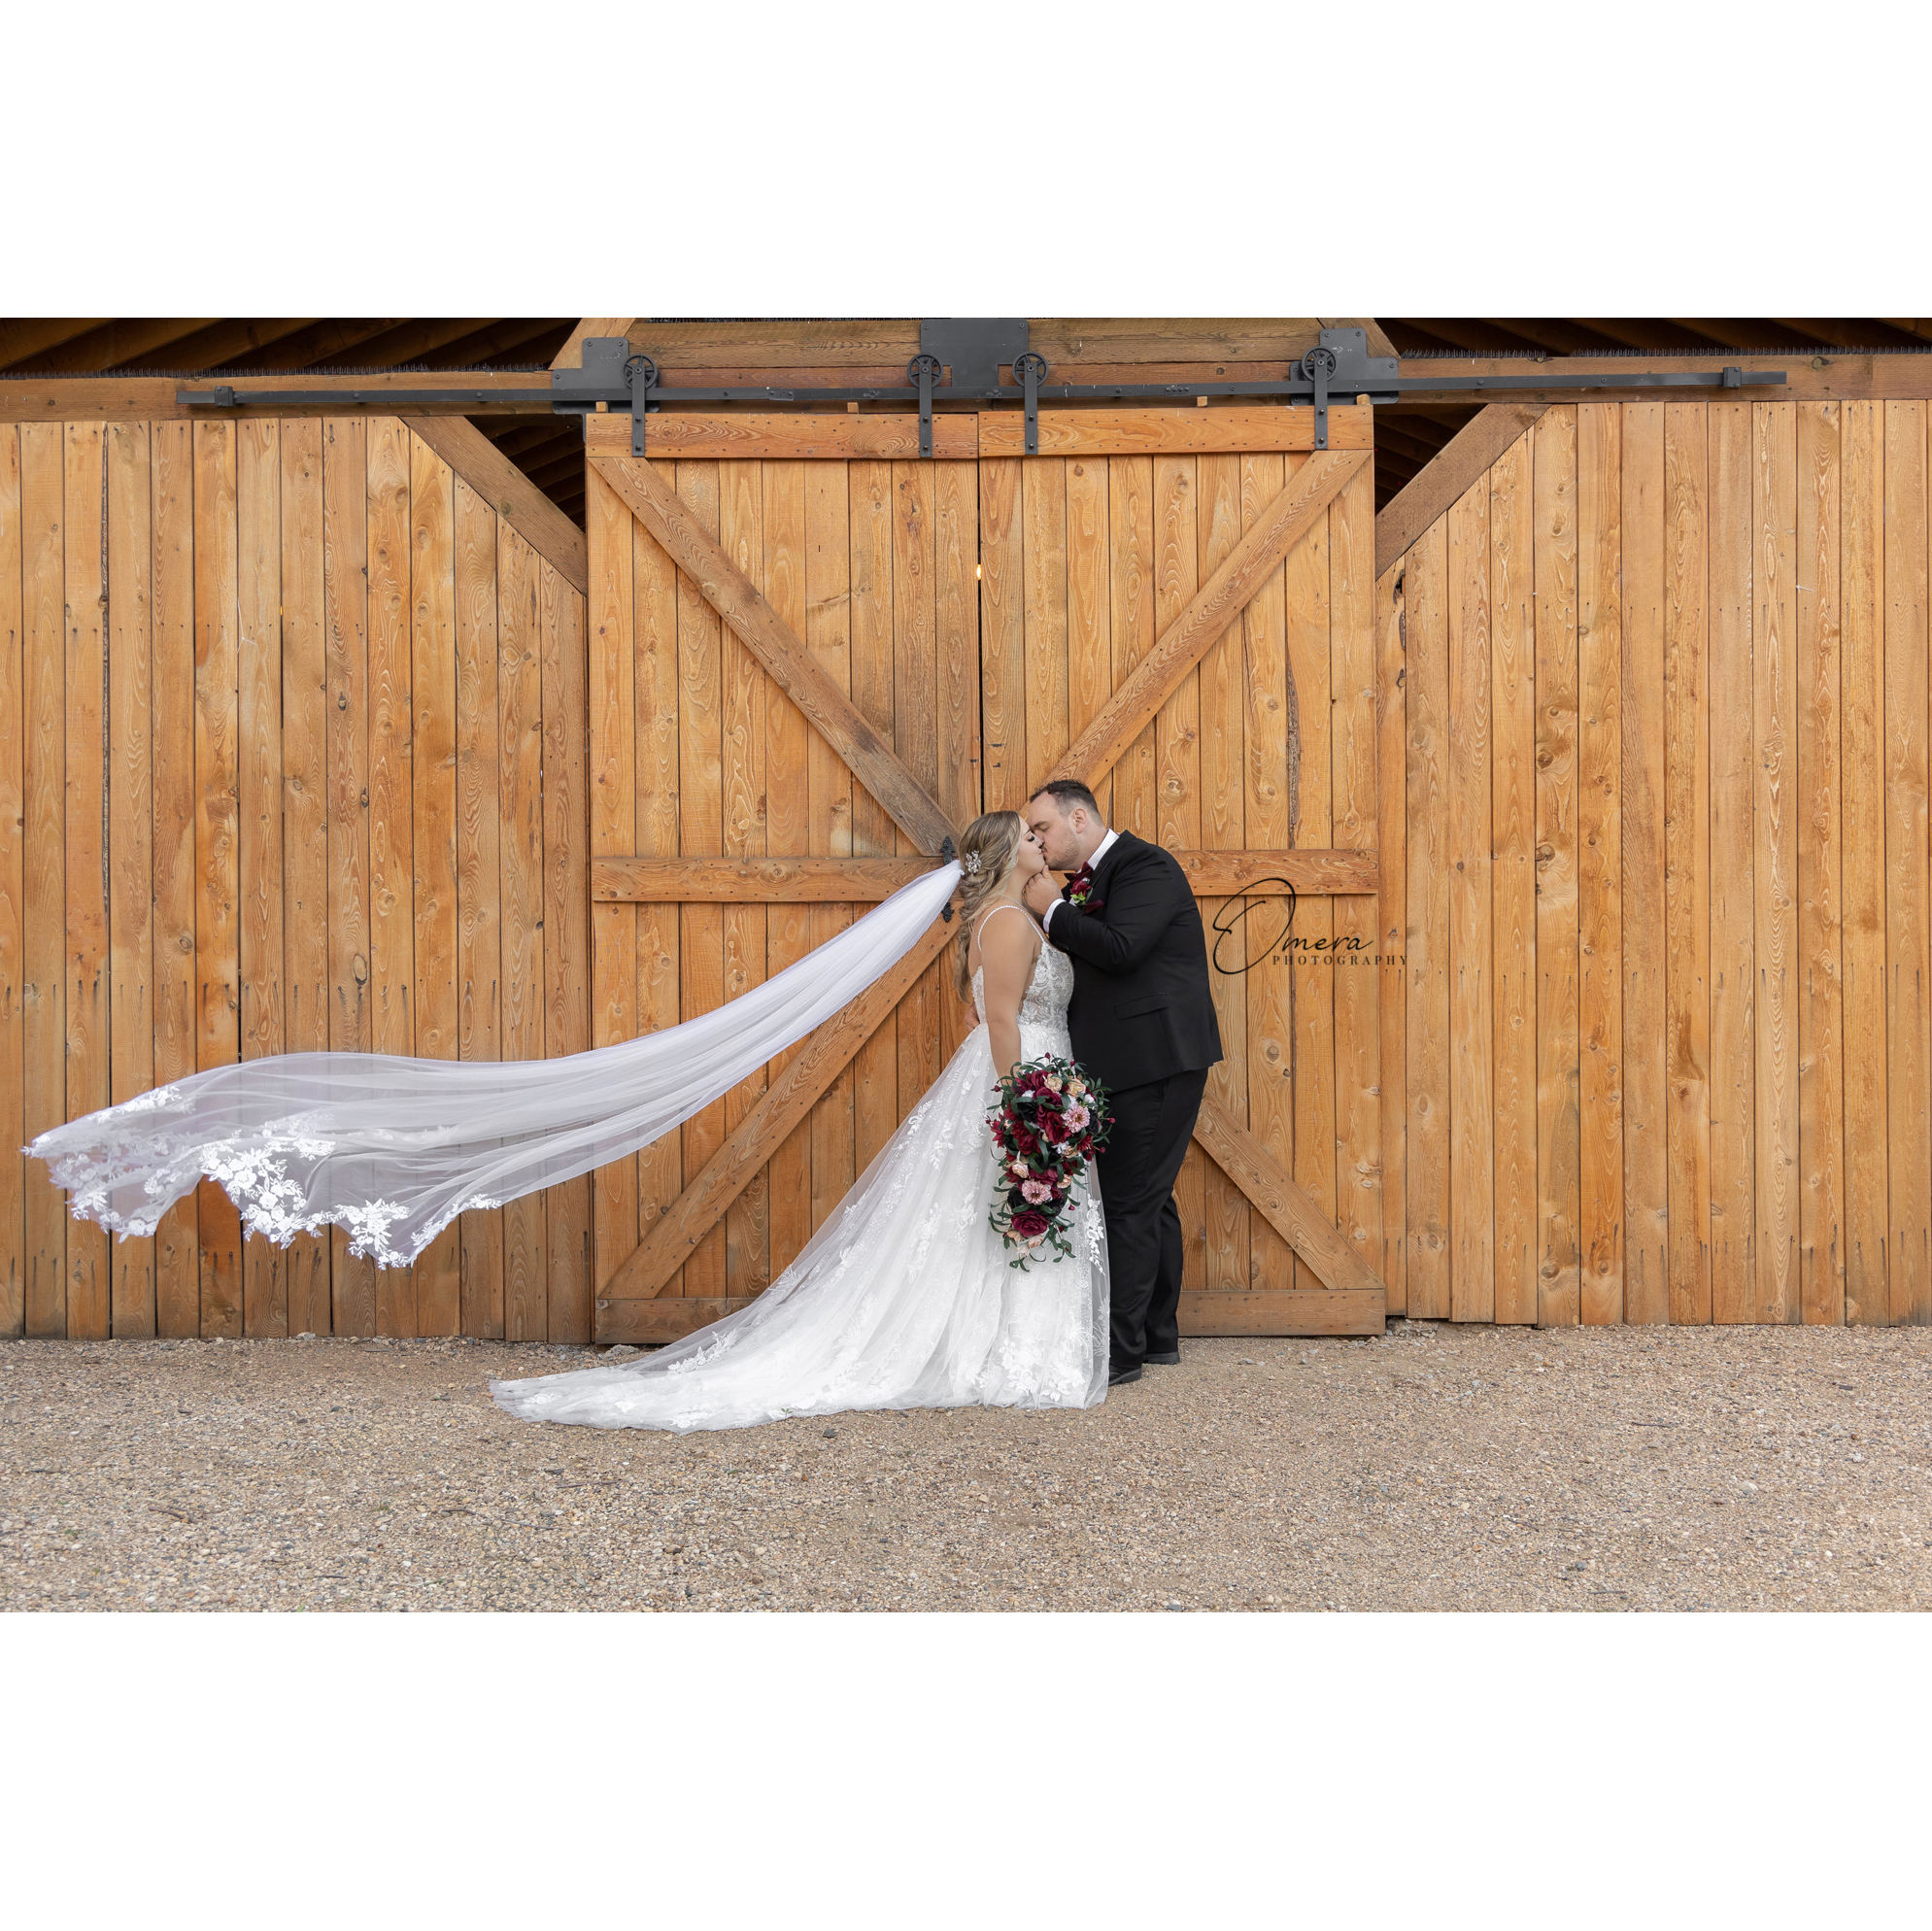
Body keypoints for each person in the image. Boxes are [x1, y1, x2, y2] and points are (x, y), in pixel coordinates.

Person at [488, 810, 1109, 1432]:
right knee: (1006, 1205)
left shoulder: (1008, 920)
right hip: (1022, 1080)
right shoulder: (1006, 923)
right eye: (1029, 837)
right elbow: (1000, 1020)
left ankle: (1006, 1341)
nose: (1040, 842)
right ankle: (1005, 1349)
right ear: (1005, 855)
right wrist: (1023, 1106)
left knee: (988, 1215)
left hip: (1036, 1074)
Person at [1022, 780, 1222, 1385]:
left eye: (1044, 828)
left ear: (1079, 818)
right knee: (1149, 1200)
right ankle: (1158, 1335)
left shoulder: (1146, 866)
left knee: (1131, 1204)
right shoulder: (1090, 880)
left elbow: (1122, 948)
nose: (1037, 840)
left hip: (1155, 1060)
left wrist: (1049, 908)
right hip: (1128, 1062)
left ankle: (1120, 1354)